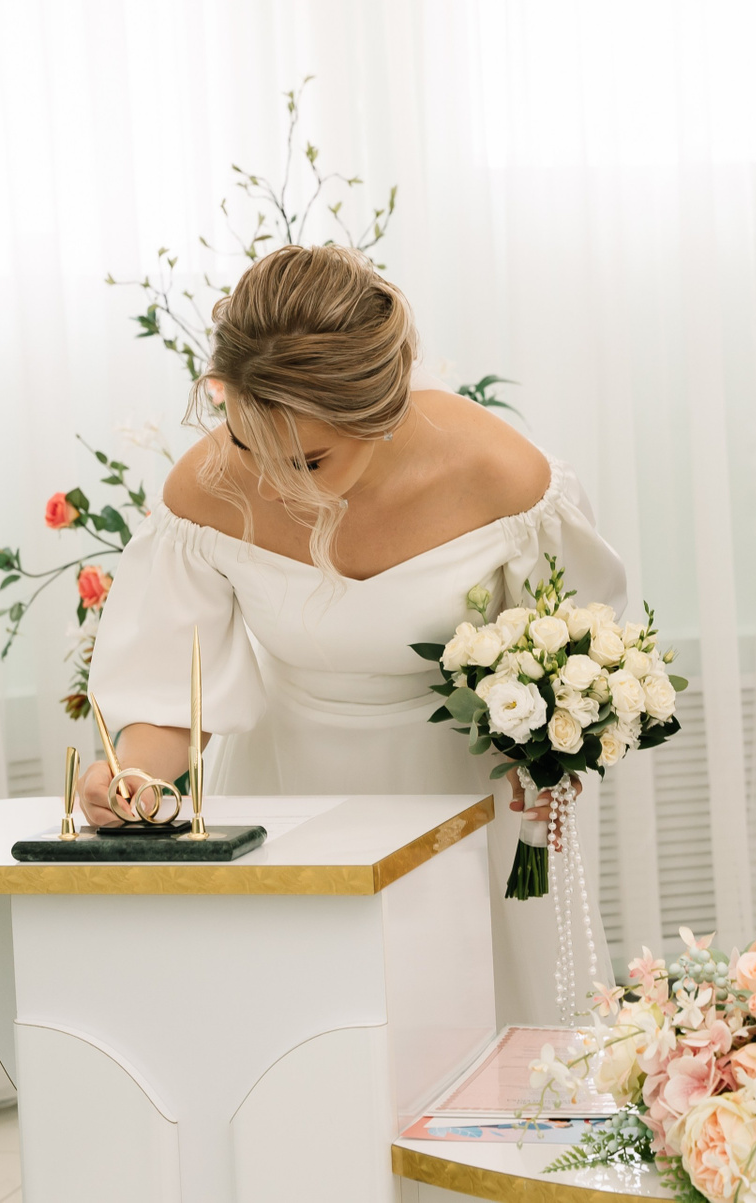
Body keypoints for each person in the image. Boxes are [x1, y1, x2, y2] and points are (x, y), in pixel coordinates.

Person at [84, 244, 621, 1026]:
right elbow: (170, 698)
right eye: (246, 441)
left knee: (486, 1038)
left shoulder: (504, 478)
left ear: (383, 412)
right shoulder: (202, 491)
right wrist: (133, 776)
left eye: (307, 459)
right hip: (288, 794)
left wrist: (547, 758)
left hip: (471, 803)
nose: (273, 482)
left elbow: (580, 662)